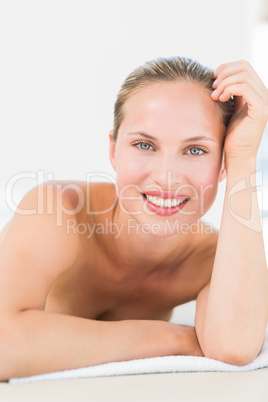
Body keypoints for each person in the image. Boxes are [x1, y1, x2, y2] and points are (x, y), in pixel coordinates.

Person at [0, 57, 268, 381]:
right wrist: (176, 338)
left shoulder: (213, 259)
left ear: (221, 164)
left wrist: (243, 158)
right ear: (113, 150)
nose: (167, 179)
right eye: (144, 145)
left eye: (196, 150)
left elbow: (233, 348)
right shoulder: (56, 211)